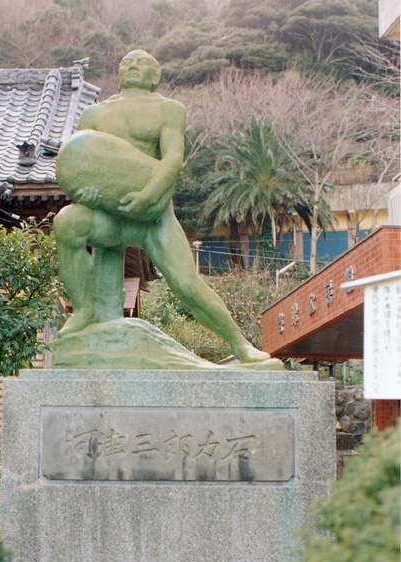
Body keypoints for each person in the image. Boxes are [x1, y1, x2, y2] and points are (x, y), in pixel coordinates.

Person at [54, 49, 272, 364]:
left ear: (155, 76)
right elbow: (84, 162)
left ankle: (241, 345)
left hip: (154, 214)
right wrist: (84, 194)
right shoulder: (94, 114)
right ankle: (85, 312)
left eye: (141, 63)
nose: (131, 65)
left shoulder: (169, 109)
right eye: (126, 62)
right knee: (67, 222)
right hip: (109, 214)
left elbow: (172, 158)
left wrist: (148, 196)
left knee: (186, 283)